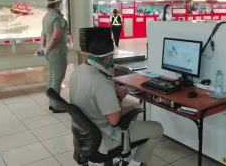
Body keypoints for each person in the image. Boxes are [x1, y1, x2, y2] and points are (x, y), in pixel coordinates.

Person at [70, 36, 164, 166]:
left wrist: (111, 94)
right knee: (157, 128)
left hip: (85, 130)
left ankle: (125, 155)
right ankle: (134, 164)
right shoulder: (102, 81)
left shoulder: (78, 70)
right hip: (102, 136)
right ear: (108, 58)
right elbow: (114, 120)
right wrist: (118, 97)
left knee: (132, 110)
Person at [40, 0, 69, 113]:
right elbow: (56, 37)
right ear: (58, 3)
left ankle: (52, 103)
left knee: (52, 78)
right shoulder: (58, 17)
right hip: (57, 52)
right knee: (57, 78)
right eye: (61, 2)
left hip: (49, 52)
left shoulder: (47, 16)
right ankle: (56, 106)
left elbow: (43, 34)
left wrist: (43, 48)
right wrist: (47, 49)